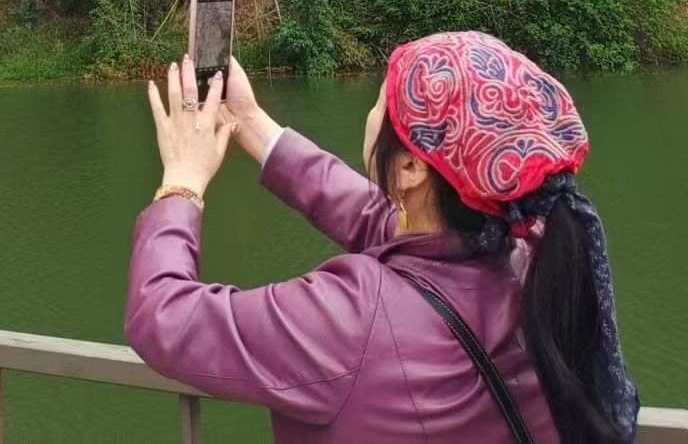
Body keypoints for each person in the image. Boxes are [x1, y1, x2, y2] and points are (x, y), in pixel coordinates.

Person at [126, 30, 638, 443]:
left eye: (379, 104)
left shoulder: (350, 318)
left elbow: (162, 316)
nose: (371, 116)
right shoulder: (529, 253)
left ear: (412, 166)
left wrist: (182, 182)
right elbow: (388, 224)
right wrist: (253, 125)